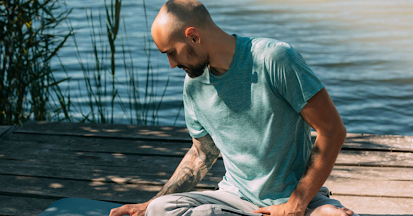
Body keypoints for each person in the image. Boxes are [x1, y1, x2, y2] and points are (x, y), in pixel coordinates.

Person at [110, 0, 357, 215]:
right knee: (160, 210)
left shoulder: (275, 59)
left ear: (193, 36)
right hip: (234, 200)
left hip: (292, 198)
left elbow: (332, 131)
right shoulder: (194, 86)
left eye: (172, 53)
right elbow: (202, 153)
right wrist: (151, 202)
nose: (172, 64)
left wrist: (297, 202)